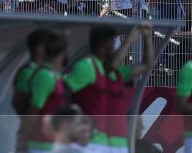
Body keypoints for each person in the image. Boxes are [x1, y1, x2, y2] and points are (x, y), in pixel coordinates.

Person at [65, 24, 154, 153]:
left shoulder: (117, 72)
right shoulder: (86, 66)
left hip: (118, 141)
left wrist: (147, 37)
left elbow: (147, 65)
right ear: (103, 44)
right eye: (113, 41)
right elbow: (64, 94)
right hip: (92, 139)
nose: (115, 46)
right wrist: (129, 41)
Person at [25, 31, 69, 153]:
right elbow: (33, 111)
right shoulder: (44, 75)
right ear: (63, 52)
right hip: (41, 144)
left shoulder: (55, 75)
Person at [13, 29, 51, 116]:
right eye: (49, 46)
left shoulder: (47, 70)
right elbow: (17, 101)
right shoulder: (28, 72)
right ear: (39, 48)